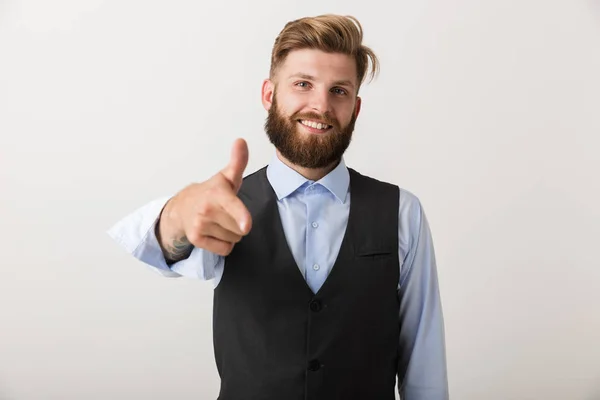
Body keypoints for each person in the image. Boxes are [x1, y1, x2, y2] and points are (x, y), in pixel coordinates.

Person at [107, 14, 448, 400]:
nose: (320, 105)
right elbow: (161, 246)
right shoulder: (224, 206)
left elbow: (424, 364)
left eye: (339, 91)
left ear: (355, 107)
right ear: (269, 95)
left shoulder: (403, 212)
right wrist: (177, 215)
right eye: (303, 84)